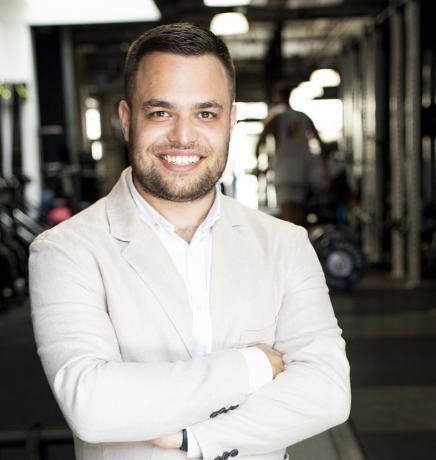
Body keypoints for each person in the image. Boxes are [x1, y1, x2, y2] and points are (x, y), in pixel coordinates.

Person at [29, 23, 350, 460]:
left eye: (206, 114)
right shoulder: (66, 250)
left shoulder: (284, 243)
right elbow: (92, 405)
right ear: (126, 119)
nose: (183, 137)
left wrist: (193, 438)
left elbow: (327, 391)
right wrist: (253, 365)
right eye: (161, 113)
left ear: (231, 121)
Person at [255, 85, 328, 226]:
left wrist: (259, 166)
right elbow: (321, 144)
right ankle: (299, 240)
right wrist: (325, 169)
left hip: (283, 171)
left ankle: (291, 241)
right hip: (301, 171)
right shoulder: (304, 118)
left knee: (287, 214)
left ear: (278, 96)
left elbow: (260, 143)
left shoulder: (276, 119)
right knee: (299, 214)